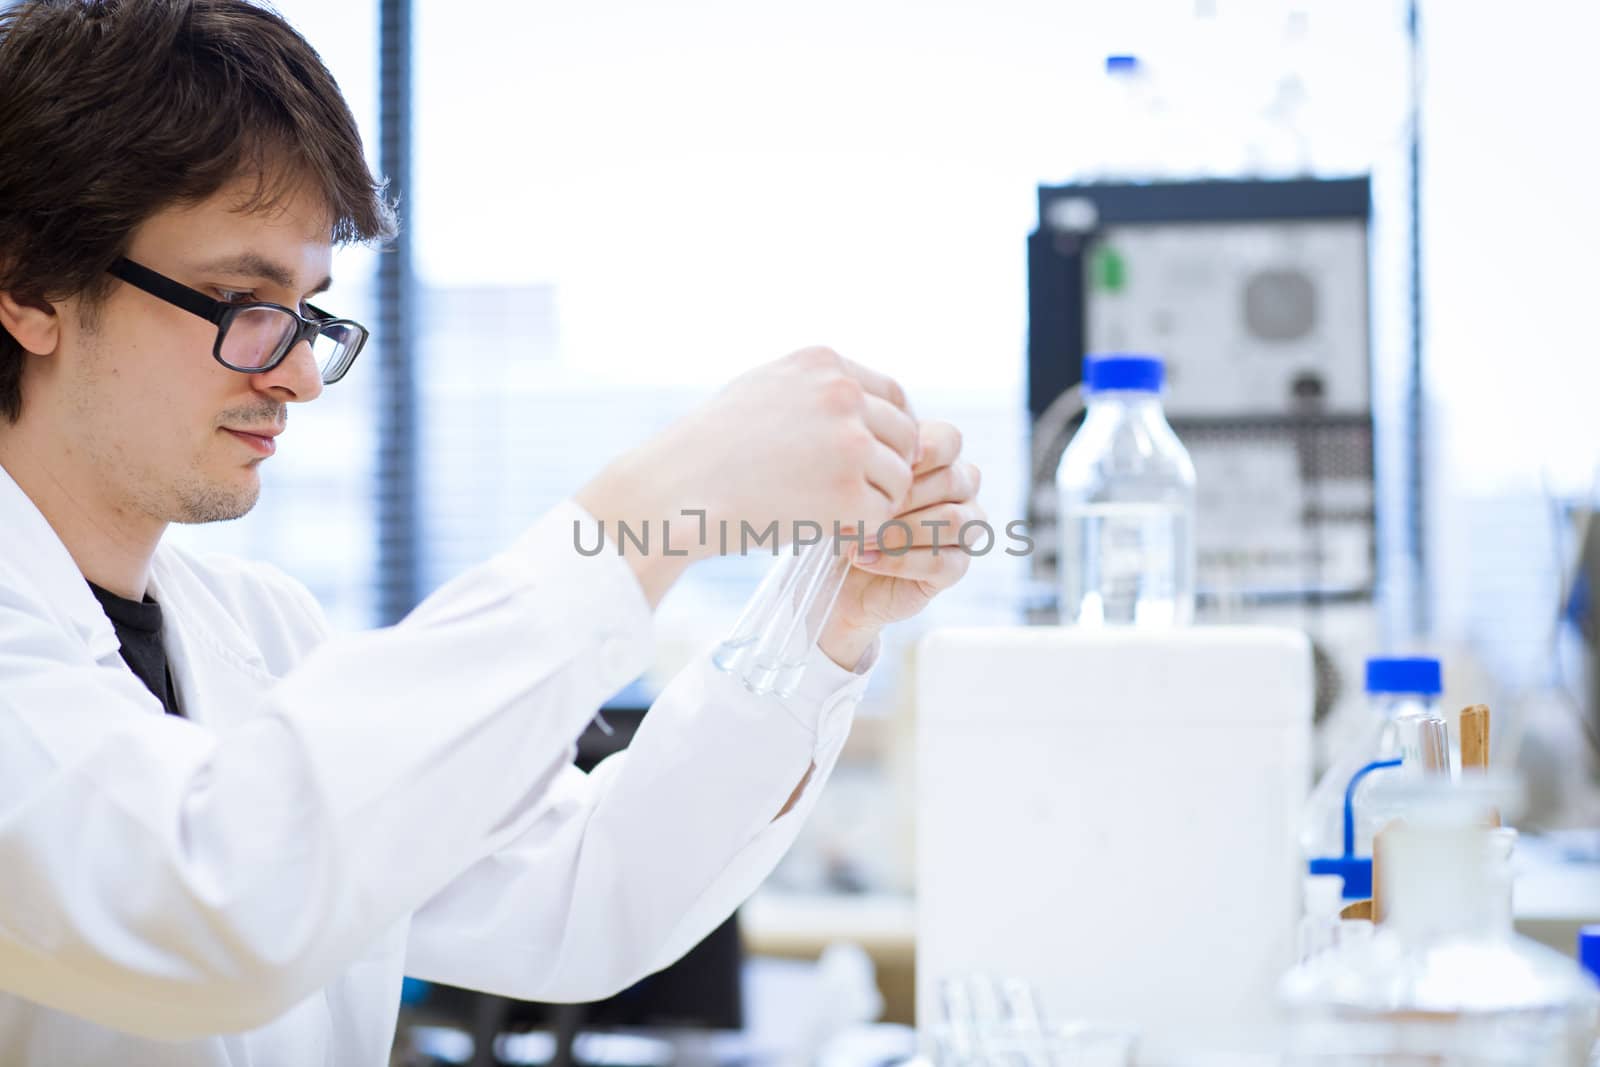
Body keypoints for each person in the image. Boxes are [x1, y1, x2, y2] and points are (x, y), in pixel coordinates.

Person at [0, 0, 984, 1063]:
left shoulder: (262, 630)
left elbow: (587, 888)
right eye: (242, 299)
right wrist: (649, 509)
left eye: (311, 315)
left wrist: (820, 613)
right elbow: (213, 904)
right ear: (29, 286)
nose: (294, 376)